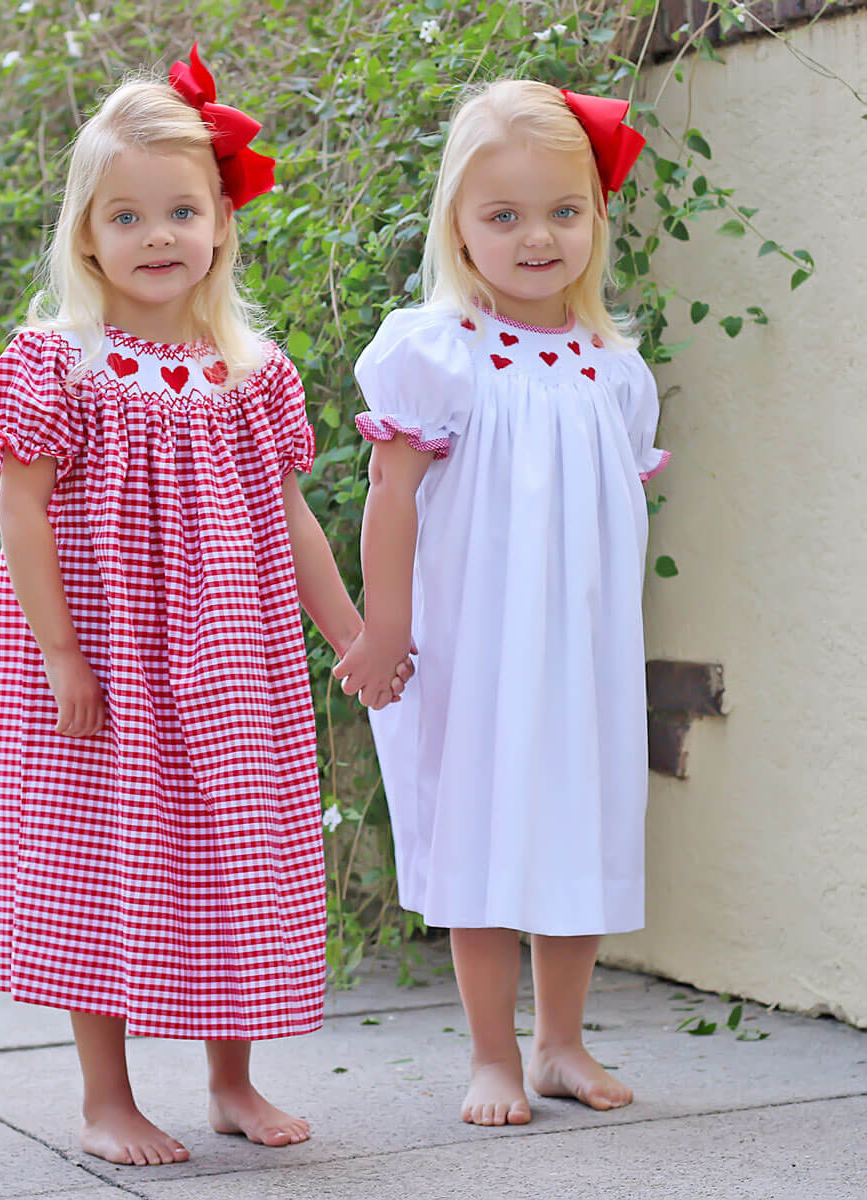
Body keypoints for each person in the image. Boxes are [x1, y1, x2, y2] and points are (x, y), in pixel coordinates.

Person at [0, 44, 409, 1167]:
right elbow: (23, 513)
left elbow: (291, 517)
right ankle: (105, 1096)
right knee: (102, 851)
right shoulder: (57, 364)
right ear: (86, 236)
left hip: (227, 652)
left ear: (220, 223)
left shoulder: (249, 370)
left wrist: (353, 632)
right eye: (127, 216)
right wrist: (61, 654)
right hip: (104, 657)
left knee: (234, 848)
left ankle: (231, 1080)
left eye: (181, 210)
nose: (158, 235)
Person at [334, 80, 668, 1127]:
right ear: (459, 226)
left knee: (577, 824)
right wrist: (386, 627)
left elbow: (607, 516)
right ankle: (489, 1053)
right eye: (505, 216)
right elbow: (393, 499)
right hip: (477, 640)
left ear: (597, 220)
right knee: (482, 829)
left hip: (581, 650)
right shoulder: (437, 352)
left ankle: (561, 1041)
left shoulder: (615, 370)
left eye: (563, 212)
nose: (537, 237)